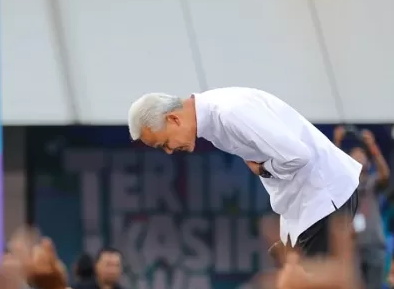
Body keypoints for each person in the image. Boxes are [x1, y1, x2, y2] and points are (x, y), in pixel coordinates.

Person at [128, 88, 361, 256]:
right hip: (310, 203)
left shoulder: (228, 112)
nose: (169, 152)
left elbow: (298, 156)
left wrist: (263, 169)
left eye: (164, 143)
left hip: (323, 198)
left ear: (174, 118)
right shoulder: (213, 115)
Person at [333, 126, 390, 289]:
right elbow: (330, 170)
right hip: (352, 246)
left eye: (362, 155)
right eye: (355, 155)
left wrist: (373, 147)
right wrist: (337, 144)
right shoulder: (343, 183)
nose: (359, 158)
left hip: (374, 244)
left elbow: (385, 174)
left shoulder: (372, 183)